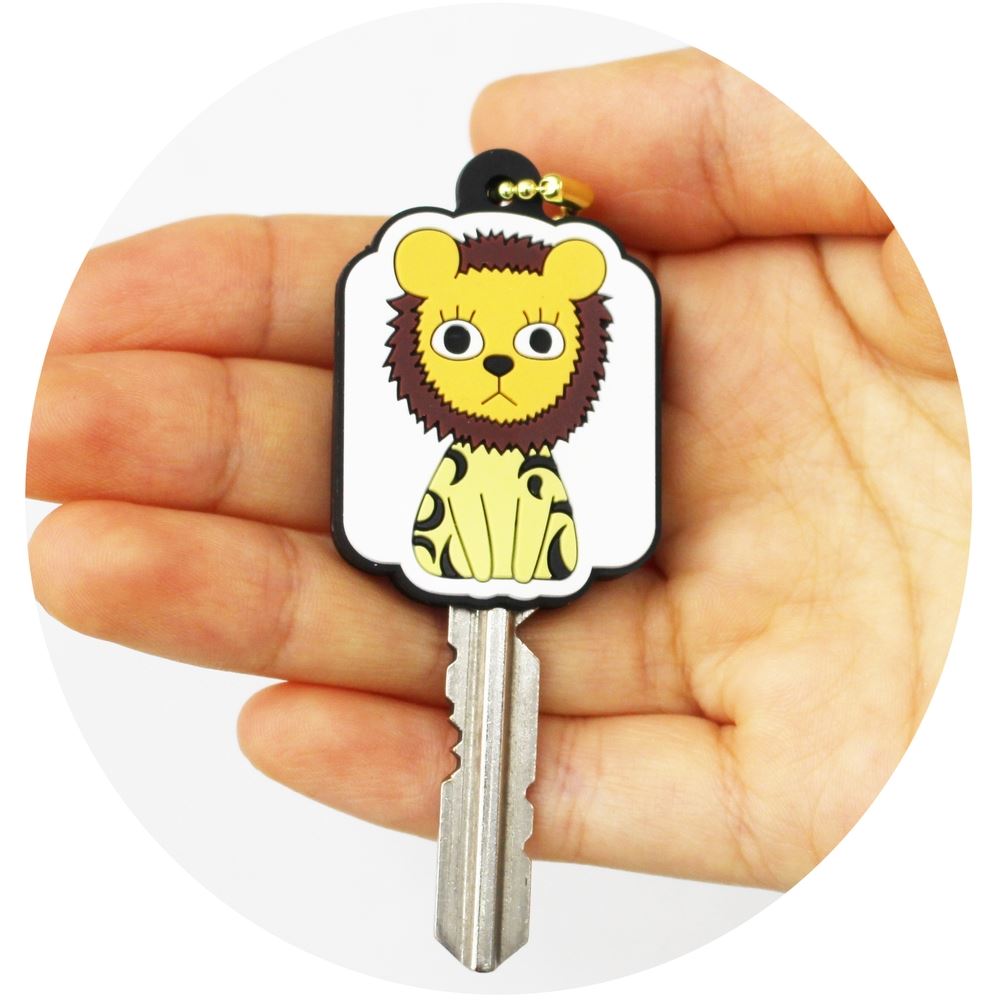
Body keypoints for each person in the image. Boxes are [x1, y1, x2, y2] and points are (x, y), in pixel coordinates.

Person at [26, 49, 969, 890]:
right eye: (462, 340)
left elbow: (561, 522)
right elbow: (430, 519)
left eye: (539, 341)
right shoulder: (429, 442)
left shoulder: (569, 451)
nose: (501, 363)